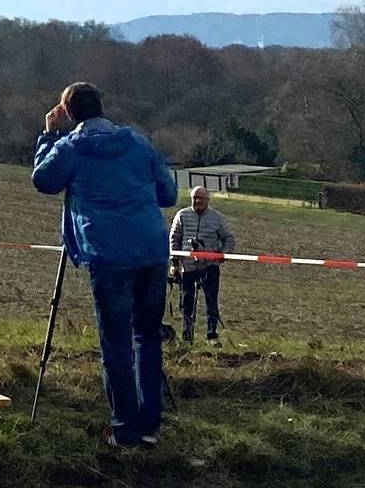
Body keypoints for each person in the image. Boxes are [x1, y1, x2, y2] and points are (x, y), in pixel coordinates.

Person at [29, 82, 177, 449]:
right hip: (152, 251)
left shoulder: (71, 148)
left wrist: (49, 135)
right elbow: (169, 194)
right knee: (147, 336)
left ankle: (124, 427)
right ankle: (149, 426)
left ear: (68, 112)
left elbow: (43, 180)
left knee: (116, 344)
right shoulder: (138, 143)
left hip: (108, 255)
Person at [167, 187, 236, 346]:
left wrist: (220, 257)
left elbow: (229, 239)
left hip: (209, 267)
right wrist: (175, 263)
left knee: (211, 302)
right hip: (187, 267)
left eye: (201, 198)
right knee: (186, 304)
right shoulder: (182, 215)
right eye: (195, 198)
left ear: (207, 200)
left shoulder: (217, 218)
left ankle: (212, 335)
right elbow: (174, 239)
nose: (198, 201)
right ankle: (187, 337)